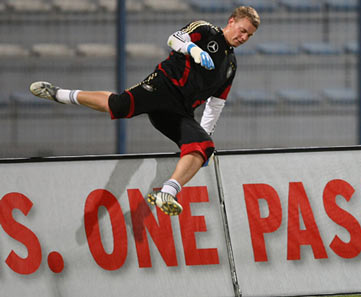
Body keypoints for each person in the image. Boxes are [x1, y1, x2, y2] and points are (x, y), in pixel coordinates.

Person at [29, 6, 260, 216]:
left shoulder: (231, 65)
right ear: (231, 21)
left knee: (204, 146)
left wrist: (204, 136)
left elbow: (216, 103)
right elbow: (174, 39)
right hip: (162, 86)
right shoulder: (206, 30)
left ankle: (167, 193)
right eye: (242, 30)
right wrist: (193, 49)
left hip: (180, 111)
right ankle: (60, 94)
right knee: (118, 105)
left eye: (248, 35)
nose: (243, 38)